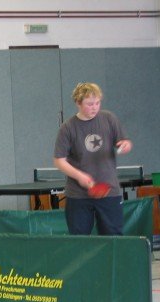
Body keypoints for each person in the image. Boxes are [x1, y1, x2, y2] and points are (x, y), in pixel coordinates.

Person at [53, 82, 132, 236]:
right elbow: (59, 161)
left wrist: (125, 145)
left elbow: (125, 142)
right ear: (78, 103)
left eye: (97, 103)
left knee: (113, 239)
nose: (94, 107)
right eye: (89, 104)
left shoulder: (109, 119)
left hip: (109, 191)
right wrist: (79, 176)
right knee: (80, 240)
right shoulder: (67, 128)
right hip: (78, 195)